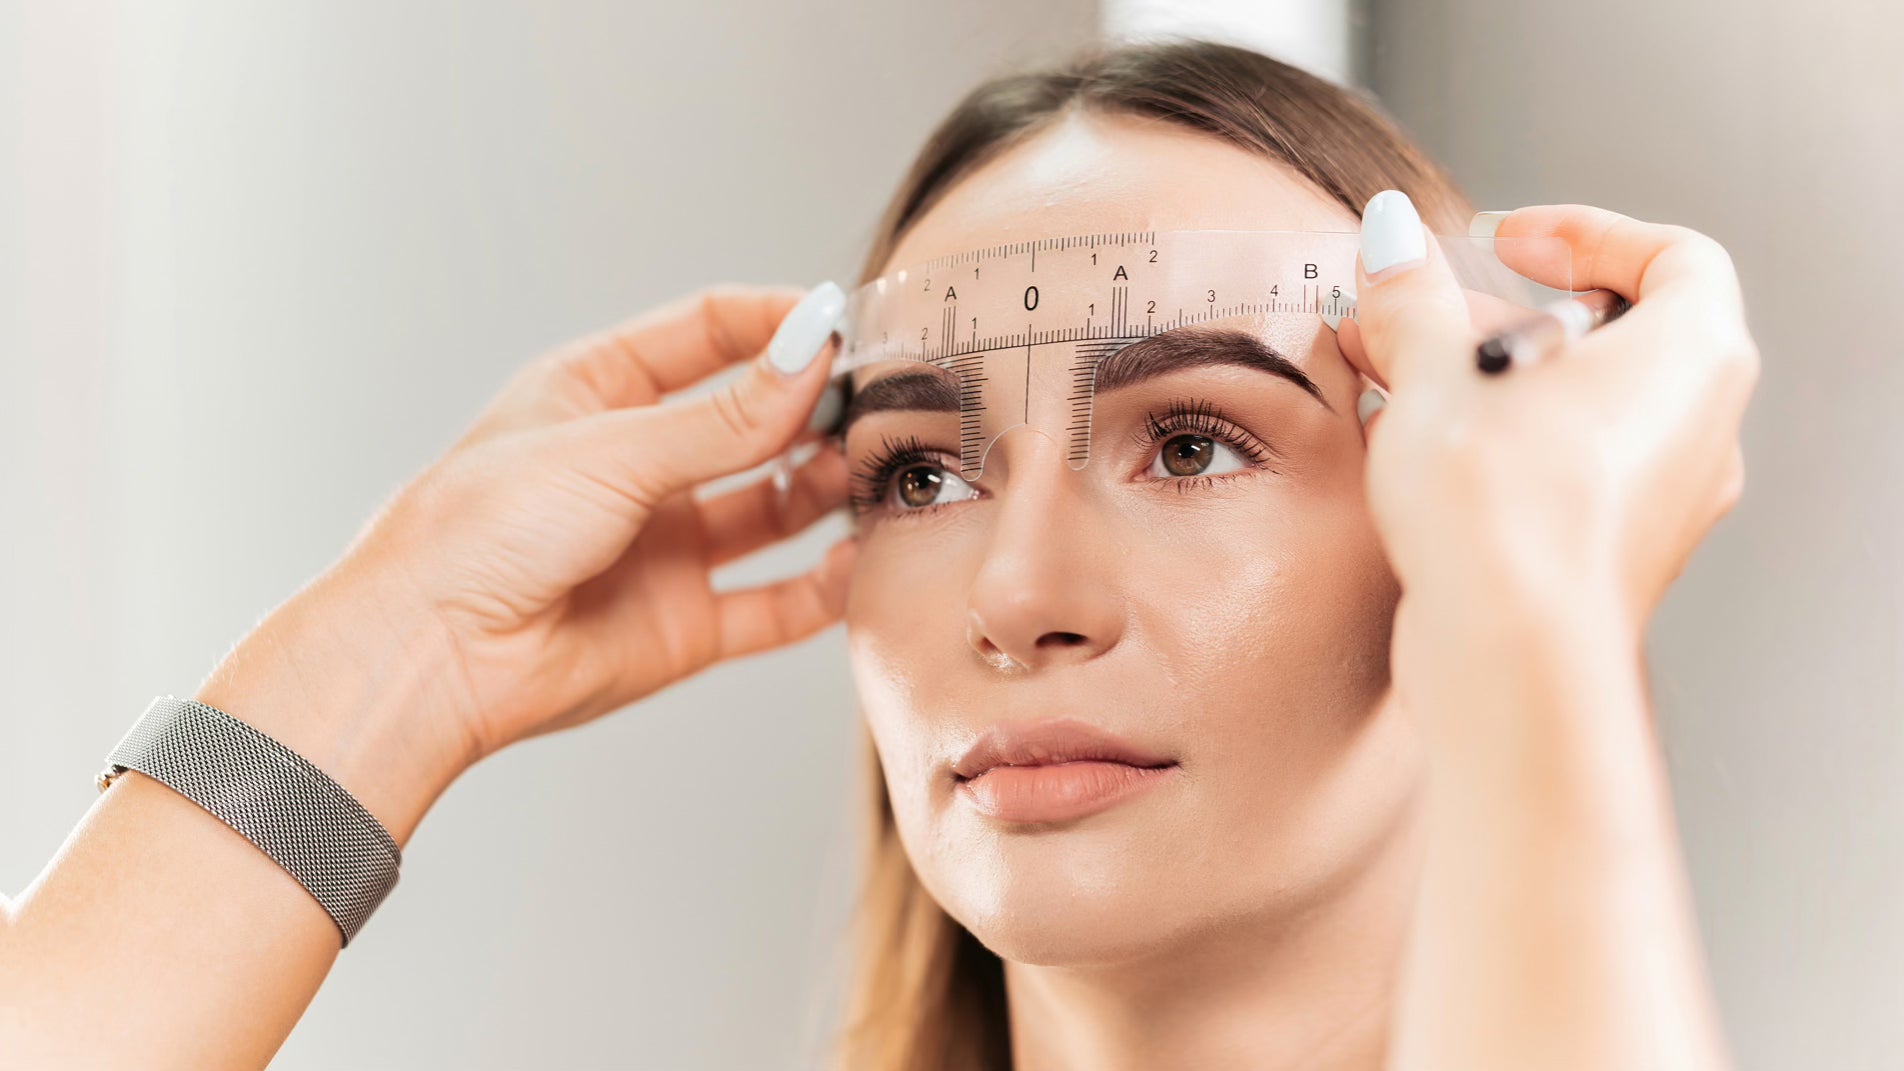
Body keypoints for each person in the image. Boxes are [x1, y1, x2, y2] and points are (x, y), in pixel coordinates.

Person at [1, 40, 1756, 1071]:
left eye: (1197, 440)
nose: (1017, 594)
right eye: (920, 474)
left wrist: (1534, 613)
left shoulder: (1512, 585)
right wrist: (396, 659)